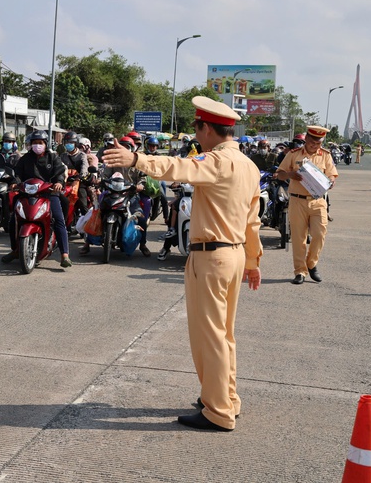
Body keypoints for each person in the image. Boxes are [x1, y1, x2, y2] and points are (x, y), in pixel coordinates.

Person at [102, 96, 262, 432]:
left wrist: (136, 158)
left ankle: (217, 411)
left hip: (212, 257)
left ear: (206, 128)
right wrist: (252, 260)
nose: (196, 135)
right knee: (225, 335)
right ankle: (226, 399)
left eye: (197, 128)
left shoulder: (216, 161)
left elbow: (178, 167)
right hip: (233, 256)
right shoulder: (248, 165)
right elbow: (252, 220)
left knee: (210, 337)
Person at [276, 125, 339, 285]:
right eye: (312, 142)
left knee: (319, 234)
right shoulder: (293, 154)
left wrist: (331, 181)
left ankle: (311, 264)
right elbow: (279, 174)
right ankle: (300, 272)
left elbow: (332, 174)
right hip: (297, 200)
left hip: (318, 201)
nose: (314, 145)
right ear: (307, 139)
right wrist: (290, 174)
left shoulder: (325, 155)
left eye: (318, 143)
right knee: (298, 238)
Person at [2, 130, 72, 268]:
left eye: (40, 143)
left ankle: (65, 254)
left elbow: (59, 173)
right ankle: (16, 250)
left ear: (46, 144)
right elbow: (17, 174)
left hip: (49, 193)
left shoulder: (53, 158)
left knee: (58, 219)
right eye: (34, 143)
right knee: (13, 220)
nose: (37, 146)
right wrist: (15, 182)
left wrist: (58, 183)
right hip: (27, 194)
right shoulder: (25, 159)